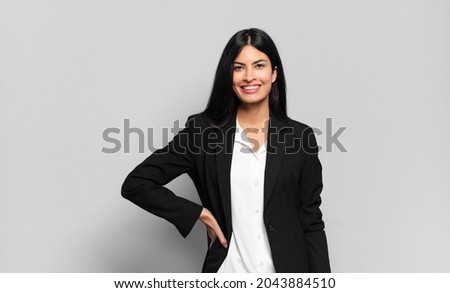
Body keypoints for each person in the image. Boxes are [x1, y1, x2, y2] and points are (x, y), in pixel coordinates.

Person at [121, 28, 331, 273]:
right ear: (228, 75)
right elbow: (136, 184)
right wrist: (199, 213)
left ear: (274, 73)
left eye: (259, 65)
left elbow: (311, 221)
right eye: (238, 67)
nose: (249, 76)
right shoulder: (202, 133)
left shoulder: (300, 138)